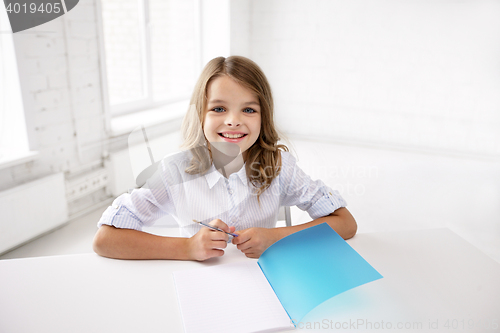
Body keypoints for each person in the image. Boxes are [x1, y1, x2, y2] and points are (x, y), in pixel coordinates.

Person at [93, 56, 357, 261]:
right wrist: (187, 247)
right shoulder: (174, 171)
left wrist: (276, 237)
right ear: (201, 114)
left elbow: (345, 223)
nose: (233, 120)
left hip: (262, 280)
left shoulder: (279, 166)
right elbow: (105, 239)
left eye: (249, 109)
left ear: (263, 117)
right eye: (219, 108)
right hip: (200, 283)